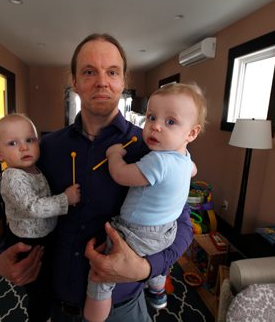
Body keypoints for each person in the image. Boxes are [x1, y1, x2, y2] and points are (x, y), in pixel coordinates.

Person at [0, 33, 194, 322]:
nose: (102, 81)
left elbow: (183, 223)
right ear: (74, 82)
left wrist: (147, 268)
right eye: (89, 72)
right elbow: (19, 204)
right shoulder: (45, 148)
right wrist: (2, 259)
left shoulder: (152, 150)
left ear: (123, 81)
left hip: (122, 306)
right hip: (54, 304)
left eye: (112, 72)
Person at [83, 83, 207, 322]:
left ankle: (94, 316)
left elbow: (120, 175)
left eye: (170, 122)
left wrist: (115, 155)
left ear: (191, 133)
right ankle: (158, 289)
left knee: (102, 274)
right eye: (151, 117)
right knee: (156, 255)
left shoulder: (158, 161)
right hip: (166, 231)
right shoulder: (185, 159)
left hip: (136, 232)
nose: (156, 126)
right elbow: (193, 170)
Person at [0, 113, 81, 321]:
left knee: (49, 282)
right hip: (28, 241)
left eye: (29, 140)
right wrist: (65, 199)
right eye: (13, 143)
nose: (24, 147)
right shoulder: (12, 177)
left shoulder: (33, 169)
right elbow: (33, 207)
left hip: (44, 235)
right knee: (39, 291)